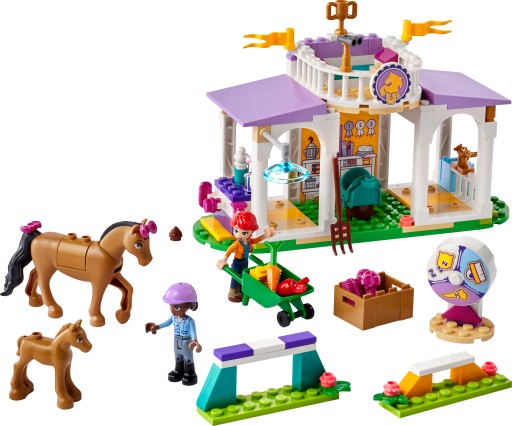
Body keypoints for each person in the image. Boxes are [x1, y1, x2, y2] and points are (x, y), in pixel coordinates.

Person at [145, 282, 202, 386]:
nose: (172, 310)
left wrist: (194, 341)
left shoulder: (190, 321)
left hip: (186, 342)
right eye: (170, 306)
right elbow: (166, 324)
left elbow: (194, 333)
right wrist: (156, 327)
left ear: (188, 306)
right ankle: (178, 370)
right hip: (176, 340)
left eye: (176, 307)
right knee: (178, 356)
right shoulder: (173, 318)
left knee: (188, 357)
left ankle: (190, 373)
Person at [216, 211, 276, 302]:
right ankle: (233, 292)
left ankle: (241, 289)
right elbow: (229, 250)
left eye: (244, 233)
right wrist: (223, 260)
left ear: (251, 231)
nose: (239, 235)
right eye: (236, 231)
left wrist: (265, 236)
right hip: (237, 262)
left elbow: (256, 240)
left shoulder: (248, 241)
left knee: (244, 275)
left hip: (245, 261)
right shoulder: (237, 243)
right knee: (235, 277)